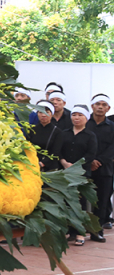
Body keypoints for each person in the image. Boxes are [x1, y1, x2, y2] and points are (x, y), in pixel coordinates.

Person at [60, 105, 97, 246]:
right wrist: (64, 162)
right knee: (65, 202)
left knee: (80, 204)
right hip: (64, 172)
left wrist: (75, 166)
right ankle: (68, 231)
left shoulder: (90, 135)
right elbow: (59, 150)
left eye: (80, 115)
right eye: (74, 114)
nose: (76, 117)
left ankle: (80, 232)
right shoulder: (64, 133)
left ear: (86, 118)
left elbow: (90, 155)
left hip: (81, 173)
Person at [87, 94, 114, 241]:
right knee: (82, 200)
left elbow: (112, 147)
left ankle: (97, 230)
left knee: (102, 201)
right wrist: (90, 161)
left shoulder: (112, 126)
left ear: (108, 108)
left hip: (104, 168)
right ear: (92, 106)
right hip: (85, 167)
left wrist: (99, 161)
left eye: (104, 104)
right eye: (98, 104)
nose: (100, 107)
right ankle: (78, 230)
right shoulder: (85, 123)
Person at [26, 100, 64, 171]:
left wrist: (42, 163)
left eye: (47, 112)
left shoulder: (57, 132)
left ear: (52, 114)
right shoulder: (31, 129)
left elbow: (56, 152)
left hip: (50, 168)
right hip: (32, 164)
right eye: (40, 112)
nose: (43, 115)